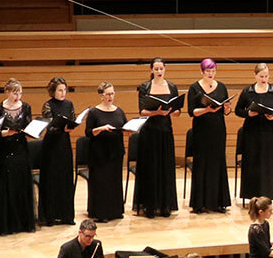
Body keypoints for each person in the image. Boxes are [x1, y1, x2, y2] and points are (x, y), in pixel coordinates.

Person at [133, 58, 180, 218]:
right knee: (151, 169)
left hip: (166, 132)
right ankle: (150, 206)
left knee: (165, 169)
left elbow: (177, 111)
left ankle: (165, 205)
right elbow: (142, 111)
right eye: (156, 69)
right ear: (151, 70)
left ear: (165, 69)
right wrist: (157, 112)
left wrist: (172, 112)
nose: (159, 71)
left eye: (161, 68)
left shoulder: (172, 86)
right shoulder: (145, 87)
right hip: (149, 132)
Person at [186, 58, 232, 214]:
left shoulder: (222, 87)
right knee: (202, 164)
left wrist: (226, 108)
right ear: (202, 72)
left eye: (213, 71)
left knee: (218, 163)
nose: (211, 74)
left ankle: (219, 202)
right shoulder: (194, 88)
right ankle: (199, 203)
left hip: (218, 130)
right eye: (208, 71)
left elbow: (226, 112)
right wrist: (207, 110)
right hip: (201, 131)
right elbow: (192, 112)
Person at [235, 63, 273, 201]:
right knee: (251, 163)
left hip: (269, 132)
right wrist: (248, 113)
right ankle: (251, 196)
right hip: (251, 132)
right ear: (255, 75)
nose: (264, 79)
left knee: (267, 163)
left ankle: (267, 195)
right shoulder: (248, 91)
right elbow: (238, 110)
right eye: (261, 76)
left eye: (266, 76)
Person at [0, 78, 36, 235]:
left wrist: (32, 132)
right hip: (5, 150)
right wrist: (6, 132)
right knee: (6, 185)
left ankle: (24, 223)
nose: (18, 96)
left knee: (21, 184)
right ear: (8, 92)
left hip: (21, 149)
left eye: (20, 93)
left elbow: (28, 127)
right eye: (15, 93)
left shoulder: (26, 107)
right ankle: (7, 224)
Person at [84, 82, 127, 222]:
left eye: (112, 93)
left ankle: (115, 211)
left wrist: (129, 130)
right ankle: (101, 212)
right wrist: (101, 128)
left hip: (115, 152)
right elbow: (88, 132)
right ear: (101, 95)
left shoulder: (119, 111)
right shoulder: (94, 112)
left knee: (114, 182)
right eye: (108, 94)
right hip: (99, 154)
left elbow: (124, 127)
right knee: (101, 183)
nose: (110, 96)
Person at [38, 77, 76, 226]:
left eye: (64, 89)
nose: (63, 93)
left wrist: (70, 126)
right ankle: (50, 216)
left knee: (65, 178)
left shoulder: (69, 104)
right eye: (60, 90)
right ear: (53, 91)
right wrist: (61, 127)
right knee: (52, 179)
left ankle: (66, 216)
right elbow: (49, 126)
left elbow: (71, 120)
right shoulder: (48, 105)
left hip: (64, 144)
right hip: (51, 145)